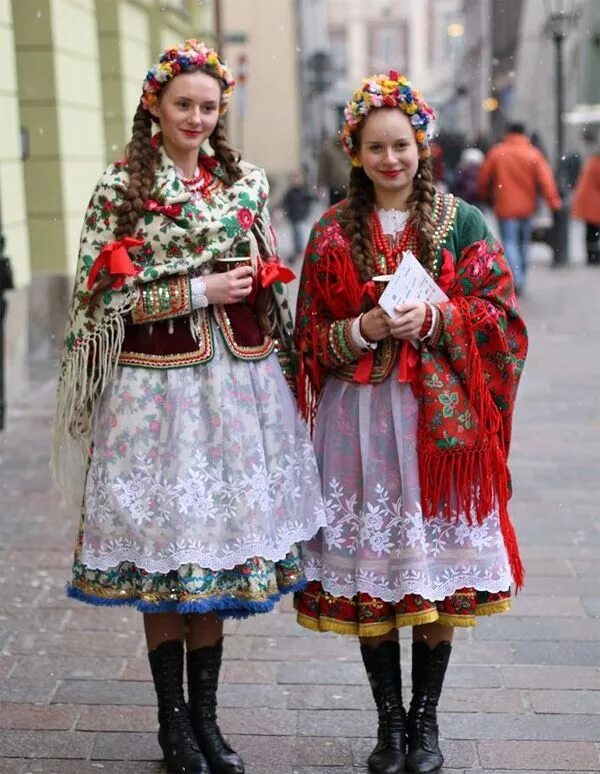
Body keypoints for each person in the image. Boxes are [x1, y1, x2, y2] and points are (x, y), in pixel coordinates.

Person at [53, 40, 326, 774]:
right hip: (153, 389)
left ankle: (208, 724)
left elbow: (267, 276)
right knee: (164, 554)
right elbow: (99, 295)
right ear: (156, 105)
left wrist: (258, 283)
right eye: (184, 104)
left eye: (209, 107)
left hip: (236, 387)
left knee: (214, 553)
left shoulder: (244, 184)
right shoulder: (120, 189)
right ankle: (173, 728)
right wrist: (198, 290)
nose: (197, 118)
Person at [294, 71, 528, 774]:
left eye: (402, 145)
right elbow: (306, 336)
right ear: (355, 152)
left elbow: (504, 321)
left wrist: (436, 318)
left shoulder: (464, 223)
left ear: (422, 145)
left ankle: (425, 727)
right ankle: (387, 727)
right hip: (357, 423)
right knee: (378, 573)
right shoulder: (332, 231)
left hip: (434, 427)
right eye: (376, 147)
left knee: (428, 579)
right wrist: (362, 327)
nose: (391, 159)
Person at [478, 121, 561, 293]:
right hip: (527, 207)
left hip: (505, 206)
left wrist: (485, 195)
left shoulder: (497, 152)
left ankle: (517, 278)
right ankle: (521, 274)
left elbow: (484, 179)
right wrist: (553, 202)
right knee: (523, 243)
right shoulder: (533, 154)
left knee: (509, 242)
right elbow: (546, 181)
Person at [571, 149, 600, 265]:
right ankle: (593, 256)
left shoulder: (593, 161)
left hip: (589, 200)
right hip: (593, 202)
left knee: (591, 230)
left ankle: (592, 255)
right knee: (593, 231)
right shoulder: (597, 163)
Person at [280, 170, 313, 262]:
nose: (296, 181)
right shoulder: (290, 192)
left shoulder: (303, 191)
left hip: (301, 217)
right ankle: (298, 250)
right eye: (294, 179)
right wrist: (283, 211)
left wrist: (306, 211)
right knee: (295, 233)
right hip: (293, 217)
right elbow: (285, 202)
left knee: (300, 232)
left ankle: (300, 250)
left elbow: (310, 200)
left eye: (297, 179)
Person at [317, 131, 352, 204]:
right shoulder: (329, 149)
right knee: (336, 212)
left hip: (350, 188)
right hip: (336, 188)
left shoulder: (350, 147)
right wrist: (320, 184)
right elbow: (322, 168)